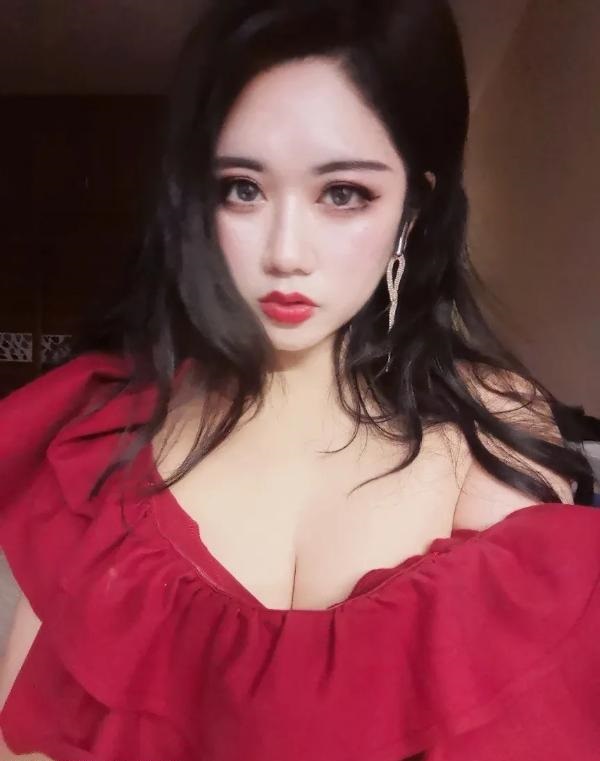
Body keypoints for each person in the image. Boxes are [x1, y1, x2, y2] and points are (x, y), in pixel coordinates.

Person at [1, 1, 599, 759]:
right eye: (243, 188)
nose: (285, 252)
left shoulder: (492, 432)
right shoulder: (101, 436)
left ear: (414, 208)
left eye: (343, 193)